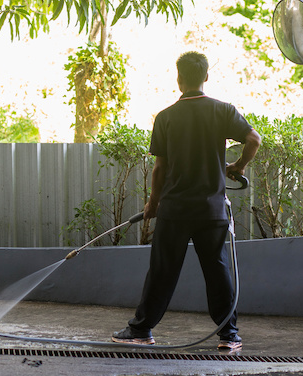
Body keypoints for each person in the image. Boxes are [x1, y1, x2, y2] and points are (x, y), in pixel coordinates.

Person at [112, 51, 261, 350]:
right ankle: (229, 336)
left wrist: (153, 204)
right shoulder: (223, 111)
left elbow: (160, 168)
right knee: (217, 270)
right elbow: (254, 139)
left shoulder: (166, 117)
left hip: (175, 209)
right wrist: (239, 166)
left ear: (179, 79)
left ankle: (142, 331)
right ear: (206, 77)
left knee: (162, 270)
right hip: (212, 210)